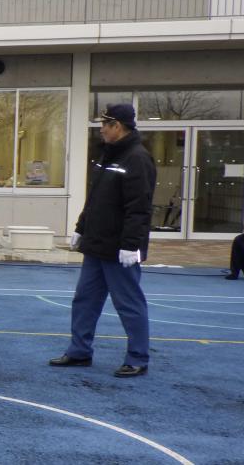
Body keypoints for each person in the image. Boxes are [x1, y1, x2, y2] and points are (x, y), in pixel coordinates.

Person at [50, 104, 156, 378]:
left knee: (128, 303)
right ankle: (79, 351)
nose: (101, 130)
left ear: (117, 126)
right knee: (84, 300)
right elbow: (95, 198)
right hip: (97, 244)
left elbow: (139, 208)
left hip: (119, 248)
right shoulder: (107, 157)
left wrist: (131, 244)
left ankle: (137, 357)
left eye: (104, 125)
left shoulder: (137, 159)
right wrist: (81, 227)